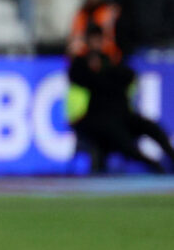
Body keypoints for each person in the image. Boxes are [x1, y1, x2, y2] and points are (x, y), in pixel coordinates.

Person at [68, 25, 174, 173]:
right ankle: (153, 165)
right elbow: (86, 80)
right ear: (87, 41)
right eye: (92, 40)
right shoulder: (80, 63)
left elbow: (128, 76)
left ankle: (171, 157)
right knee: (122, 140)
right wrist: (103, 75)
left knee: (152, 128)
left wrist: (104, 71)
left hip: (121, 115)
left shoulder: (110, 60)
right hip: (94, 118)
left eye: (99, 40)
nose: (96, 44)